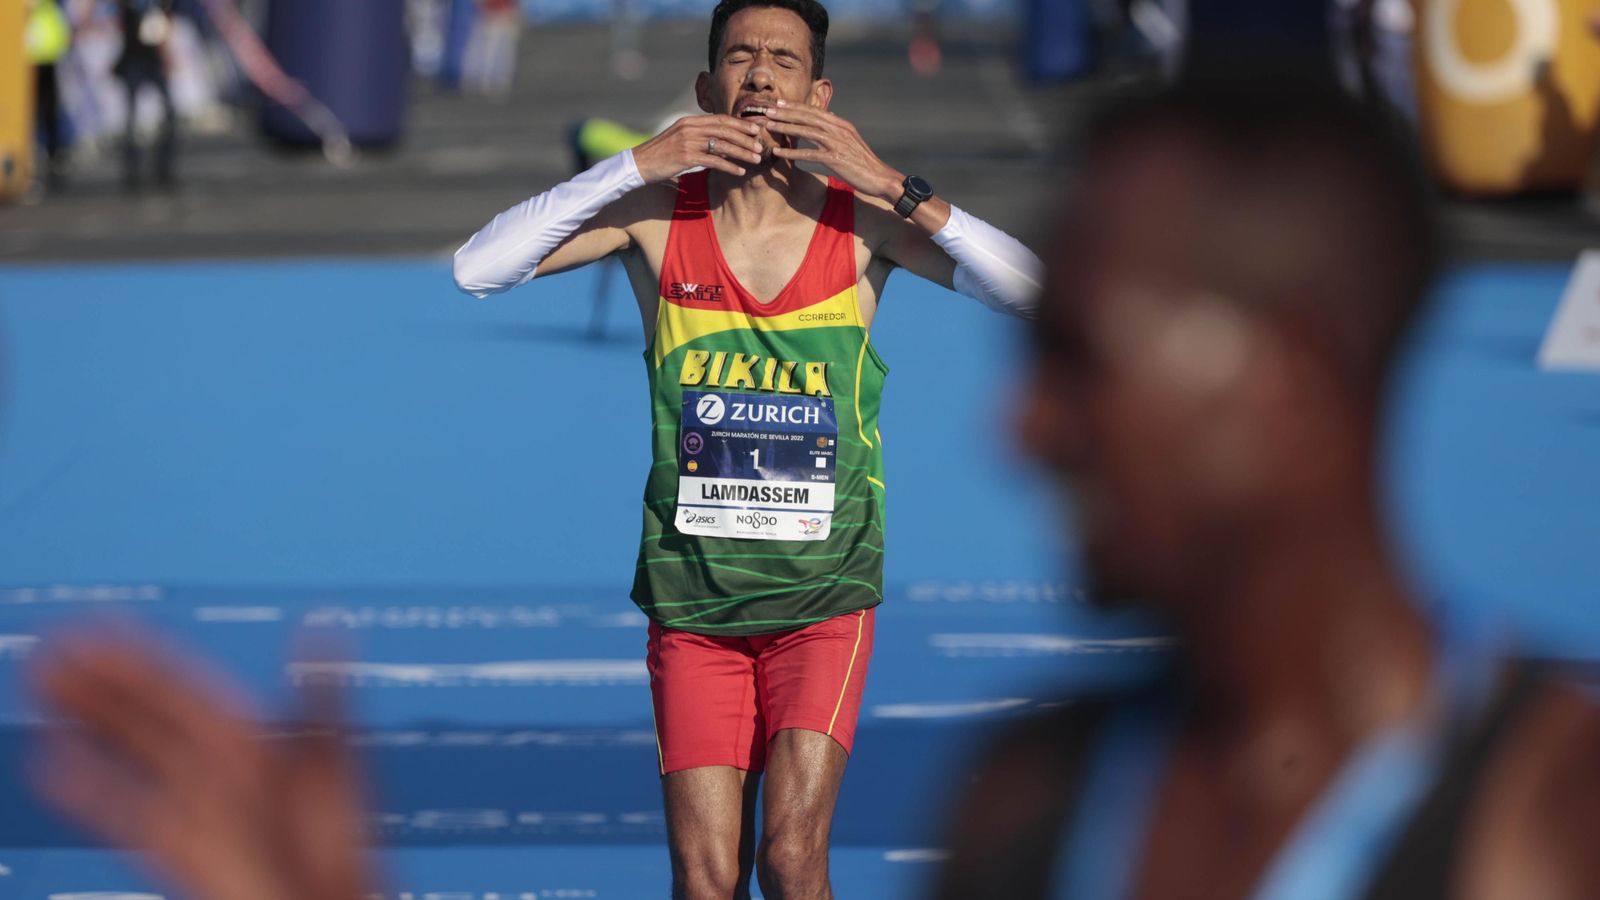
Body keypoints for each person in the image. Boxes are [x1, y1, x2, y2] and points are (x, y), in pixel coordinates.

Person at [933, 67, 1600, 899]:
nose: (1019, 428)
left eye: (1082, 359)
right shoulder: (1021, 804)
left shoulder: (1559, 828)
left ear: (1292, 382)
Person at [453, 0, 1039, 895]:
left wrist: (892, 183)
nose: (761, 75)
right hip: (694, 610)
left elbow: (1039, 293)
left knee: (793, 860)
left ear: (820, 91)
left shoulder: (862, 226)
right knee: (705, 877)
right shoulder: (654, 218)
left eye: (784, 61)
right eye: (739, 56)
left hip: (823, 600)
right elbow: (476, 268)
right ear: (706, 86)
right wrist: (633, 164)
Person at [114, 0, 177, 188]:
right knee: (132, 119)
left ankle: (163, 168)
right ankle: (132, 171)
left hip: (152, 60)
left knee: (169, 114)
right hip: (134, 59)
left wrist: (166, 55)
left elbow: (165, 22)